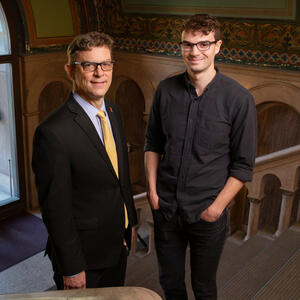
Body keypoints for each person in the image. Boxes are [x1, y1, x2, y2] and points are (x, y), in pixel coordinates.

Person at [144, 14, 257, 300]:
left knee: (204, 287)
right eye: (187, 44)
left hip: (207, 212)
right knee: (170, 282)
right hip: (167, 209)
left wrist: (216, 209)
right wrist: (153, 193)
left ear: (218, 46)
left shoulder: (238, 99)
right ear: (180, 47)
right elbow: (153, 144)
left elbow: (243, 166)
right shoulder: (165, 91)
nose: (195, 52)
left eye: (203, 44)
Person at [32, 32, 137, 290]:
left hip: (116, 244)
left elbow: (120, 177)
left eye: (106, 64)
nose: (99, 73)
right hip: (83, 258)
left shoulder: (113, 111)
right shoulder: (52, 132)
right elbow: (56, 209)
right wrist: (72, 267)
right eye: (89, 65)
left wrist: (129, 223)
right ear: (70, 70)